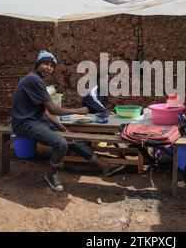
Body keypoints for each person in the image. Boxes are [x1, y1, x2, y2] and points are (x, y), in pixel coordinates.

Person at [11, 51, 125, 192]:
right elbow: (53, 109)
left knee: (71, 137)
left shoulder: (37, 81)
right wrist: (78, 110)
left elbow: (45, 112)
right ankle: (51, 174)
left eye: (52, 66)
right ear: (37, 64)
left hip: (37, 121)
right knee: (61, 143)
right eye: (45, 64)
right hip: (24, 123)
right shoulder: (33, 80)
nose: (49, 68)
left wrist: (64, 129)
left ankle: (105, 166)